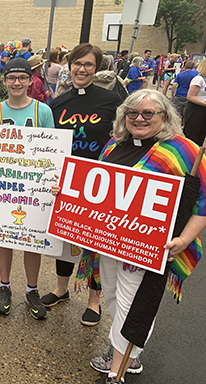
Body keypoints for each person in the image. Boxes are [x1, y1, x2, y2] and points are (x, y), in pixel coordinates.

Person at [64, 90, 206, 383]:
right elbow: (94, 189)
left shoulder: (185, 151)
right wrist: (67, 192)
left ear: (164, 117)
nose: (139, 119)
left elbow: (202, 203)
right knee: (115, 298)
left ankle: (118, 369)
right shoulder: (113, 145)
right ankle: (130, 354)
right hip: (108, 243)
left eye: (148, 113)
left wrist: (183, 241)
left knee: (134, 304)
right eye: (132, 113)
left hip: (147, 247)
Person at [46, 43, 123, 326]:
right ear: (69, 66)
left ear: (97, 68)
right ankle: (61, 288)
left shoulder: (111, 101)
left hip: (98, 181)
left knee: (95, 243)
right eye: (77, 64)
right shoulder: (57, 104)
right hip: (66, 180)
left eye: (88, 65)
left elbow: (122, 138)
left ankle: (93, 300)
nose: (81, 69)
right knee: (65, 238)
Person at [0, 58, 55, 320]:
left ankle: (32, 289)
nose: (16, 82)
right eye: (11, 78)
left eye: (22, 78)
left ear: (30, 81)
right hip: (6, 184)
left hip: (34, 187)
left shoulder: (42, 112)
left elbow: (52, 151)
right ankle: (5, 287)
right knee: (4, 236)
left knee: (32, 239)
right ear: (4, 81)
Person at [183, 58, 206, 146]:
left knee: (201, 134)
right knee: (192, 134)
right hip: (195, 109)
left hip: (203, 110)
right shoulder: (198, 79)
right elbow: (191, 96)